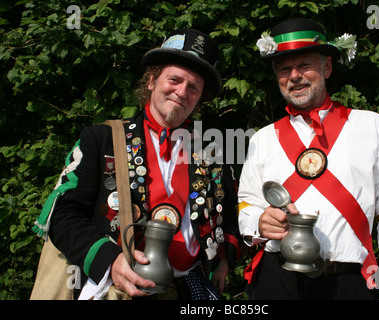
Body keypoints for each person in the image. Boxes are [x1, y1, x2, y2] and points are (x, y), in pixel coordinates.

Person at [33, 28, 241, 300]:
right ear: (152, 80)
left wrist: (224, 258)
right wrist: (111, 261)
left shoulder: (212, 152)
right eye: (174, 80)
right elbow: (62, 214)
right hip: (116, 288)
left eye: (193, 87)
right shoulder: (102, 140)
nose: (181, 92)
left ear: (200, 98)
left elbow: (231, 218)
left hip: (190, 291)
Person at [238, 18, 379, 300]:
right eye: (284, 69)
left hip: (348, 284)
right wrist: (258, 222)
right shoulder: (263, 138)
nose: (294, 75)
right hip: (276, 281)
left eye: (304, 65)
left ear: (327, 67)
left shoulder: (372, 127)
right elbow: (246, 202)